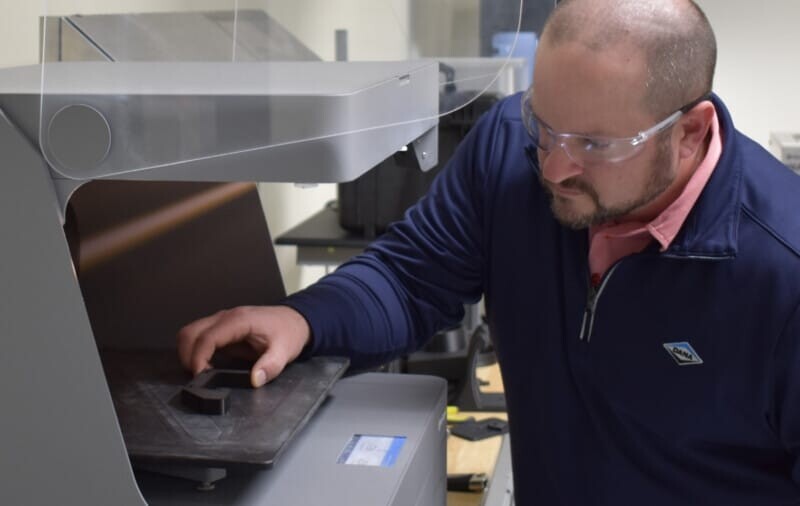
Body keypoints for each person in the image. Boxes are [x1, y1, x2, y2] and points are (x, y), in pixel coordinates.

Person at [178, 0, 800, 503]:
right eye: (544, 122)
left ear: (687, 134)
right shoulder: (507, 150)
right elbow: (409, 278)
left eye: (593, 144)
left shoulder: (783, 274)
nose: (554, 167)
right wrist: (304, 319)